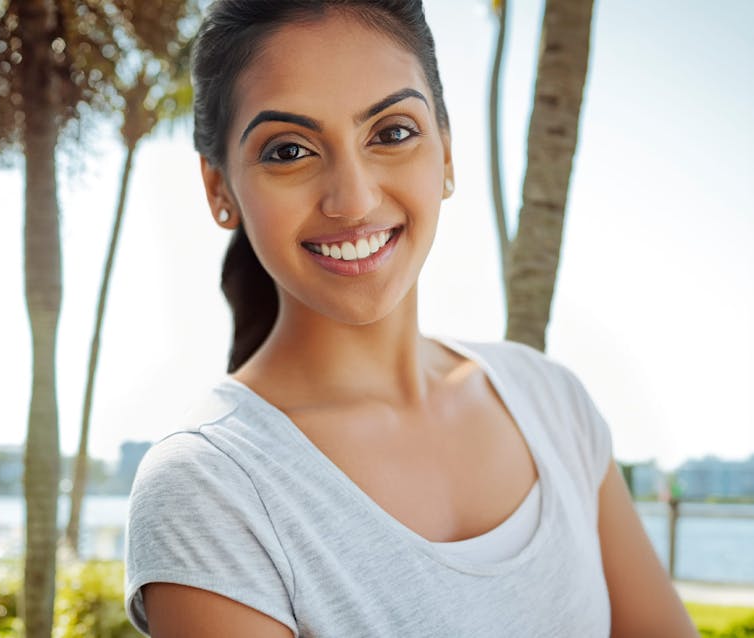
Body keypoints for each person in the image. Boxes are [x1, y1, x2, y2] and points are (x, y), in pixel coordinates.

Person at [124, 1, 697, 636]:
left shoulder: (551, 403)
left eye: (392, 133)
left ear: (446, 154)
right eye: (289, 150)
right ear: (219, 190)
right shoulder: (209, 487)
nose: (355, 198)